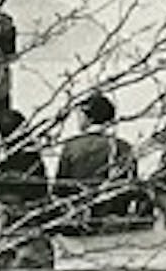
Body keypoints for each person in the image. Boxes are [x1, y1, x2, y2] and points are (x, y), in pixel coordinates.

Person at [55, 92, 143, 233]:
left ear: (88, 118)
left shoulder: (71, 146)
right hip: (114, 223)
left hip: (78, 222)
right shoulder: (123, 147)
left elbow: (60, 188)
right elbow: (131, 188)